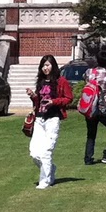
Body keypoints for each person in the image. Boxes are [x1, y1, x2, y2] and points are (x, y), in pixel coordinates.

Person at [26, 55, 73, 190]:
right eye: (43, 66)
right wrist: (33, 96)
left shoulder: (61, 81)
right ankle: (50, 168)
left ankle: (45, 181)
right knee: (34, 153)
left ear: (53, 66)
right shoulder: (40, 82)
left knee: (46, 151)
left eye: (48, 65)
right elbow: (38, 101)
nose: (46, 68)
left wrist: (54, 101)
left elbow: (68, 98)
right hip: (40, 119)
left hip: (53, 118)